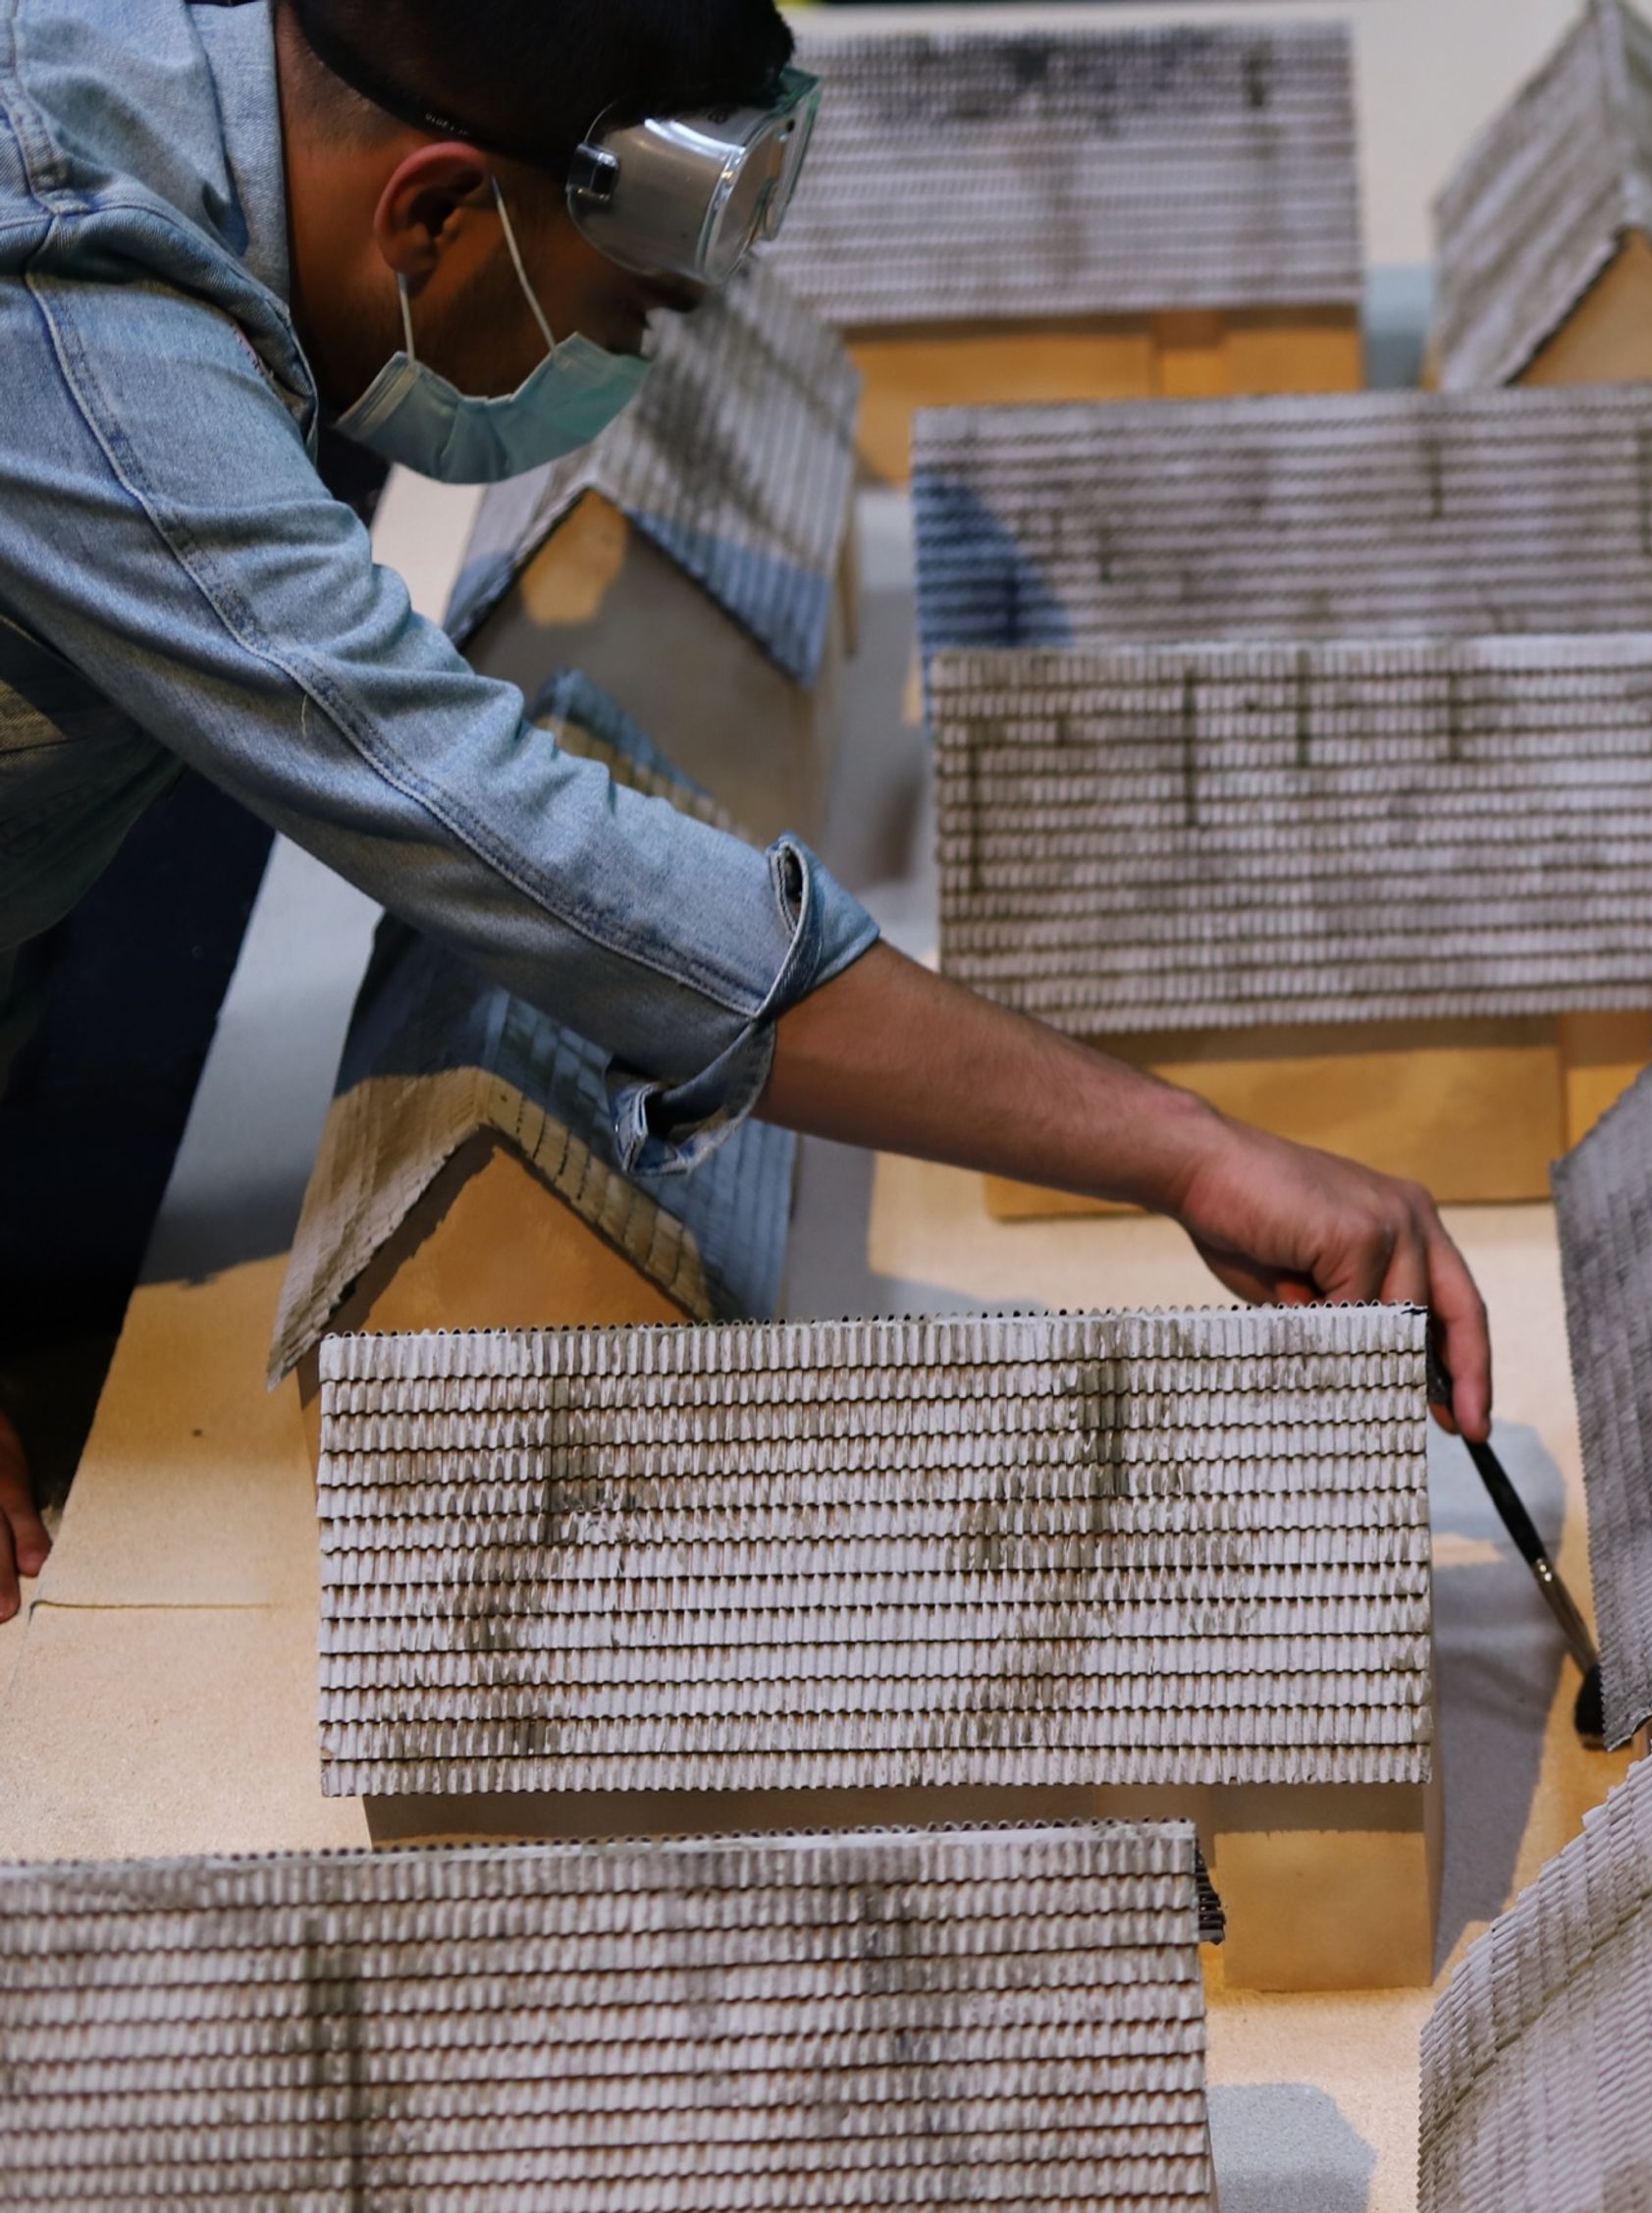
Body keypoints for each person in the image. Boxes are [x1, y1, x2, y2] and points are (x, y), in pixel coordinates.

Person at [0, 0, 1492, 1615]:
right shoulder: (89, 336)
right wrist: (1187, 1152)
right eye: (623, 320)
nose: (633, 371)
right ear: (431, 216)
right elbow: (504, 834)